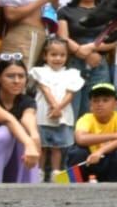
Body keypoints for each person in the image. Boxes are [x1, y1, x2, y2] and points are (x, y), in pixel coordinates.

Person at [56, 0, 113, 121]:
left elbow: (113, 41)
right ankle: (71, 143)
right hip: (74, 64)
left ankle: (90, 143)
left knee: (96, 107)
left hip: (99, 65)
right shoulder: (65, 11)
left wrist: (91, 48)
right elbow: (63, 37)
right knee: (71, 107)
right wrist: (79, 50)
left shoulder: (107, 11)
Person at [29, 36, 82, 177]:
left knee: (57, 147)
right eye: (53, 54)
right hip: (43, 114)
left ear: (67, 56)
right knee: (42, 146)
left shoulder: (72, 74)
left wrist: (59, 108)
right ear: (45, 56)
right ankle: (38, 172)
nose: (58, 58)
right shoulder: (40, 72)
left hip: (61, 115)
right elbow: (45, 89)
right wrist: (54, 106)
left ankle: (55, 172)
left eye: (62, 55)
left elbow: (70, 94)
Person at [66, 82, 117, 182]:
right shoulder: (86, 118)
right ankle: (76, 184)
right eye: (95, 101)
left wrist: (100, 151)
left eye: (105, 100)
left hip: (109, 160)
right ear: (90, 105)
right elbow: (81, 139)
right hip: (88, 162)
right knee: (77, 152)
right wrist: (116, 135)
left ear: (116, 103)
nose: (100, 104)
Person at [0, 55, 41, 182]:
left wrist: (34, 136)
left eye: (21, 76)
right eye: (10, 76)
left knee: (26, 131)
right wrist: (29, 142)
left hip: (8, 160)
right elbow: (8, 119)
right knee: (5, 133)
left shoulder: (26, 101)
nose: (16, 81)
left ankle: (29, 190)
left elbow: (28, 117)